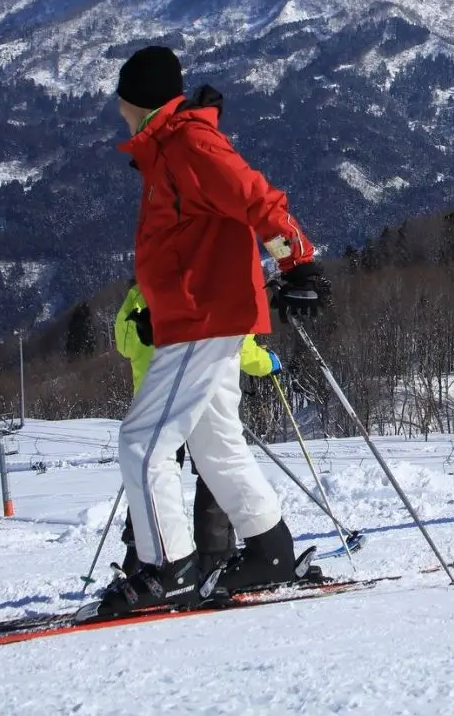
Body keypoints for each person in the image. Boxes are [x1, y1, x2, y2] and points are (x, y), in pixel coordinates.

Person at [101, 46, 331, 618]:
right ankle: (270, 551)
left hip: (203, 321)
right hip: (194, 315)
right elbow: (190, 243)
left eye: (123, 103)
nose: (120, 113)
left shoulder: (188, 144)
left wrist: (295, 260)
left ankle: (167, 570)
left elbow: (257, 198)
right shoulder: (167, 148)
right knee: (213, 444)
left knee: (142, 443)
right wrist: (159, 305)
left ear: (137, 101)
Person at [111, 282, 283, 581]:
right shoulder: (192, 296)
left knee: (153, 476)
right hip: (197, 396)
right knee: (212, 470)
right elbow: (238, 349)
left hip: (153, 405)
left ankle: (140, 553)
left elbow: (125, 345)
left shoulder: (136, 300)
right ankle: (214, 552)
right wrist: (269, 363)